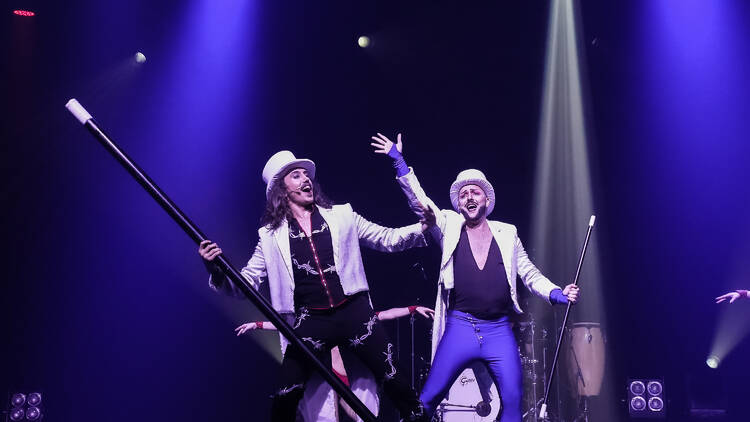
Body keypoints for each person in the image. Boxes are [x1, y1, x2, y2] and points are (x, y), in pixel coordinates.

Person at [199, 150, 432, 422]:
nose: (305, 179)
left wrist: (421, 228)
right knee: (285, 396)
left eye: (306, 174)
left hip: (353, 312)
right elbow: (245, 284)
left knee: (395, 379)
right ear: (281, 189)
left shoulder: (342, 215)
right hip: (310, 321)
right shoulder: (270, 237)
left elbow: (385, 238)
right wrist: (214, 269)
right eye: (295, 175)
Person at [370, 133, 580, 422]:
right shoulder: (448, 225)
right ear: (459, 202)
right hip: (461, 327)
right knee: (427, 401)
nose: (469, 197)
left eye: (475, 192)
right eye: (464, 194)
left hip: (498, 331)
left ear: (486, 199)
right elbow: (421, 203)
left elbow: (529, 273)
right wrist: (399, 161)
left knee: (513, 403)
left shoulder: (507, 233)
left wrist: (558, 293)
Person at [235, 305, 435, 422]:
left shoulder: (350, 321)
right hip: (326, 376)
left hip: (349, 377)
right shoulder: (314, 324)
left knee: (362, 413)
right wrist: (257, 324)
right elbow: (286, 325)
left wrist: (412, 309)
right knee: (324, 415)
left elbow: (383, 315)